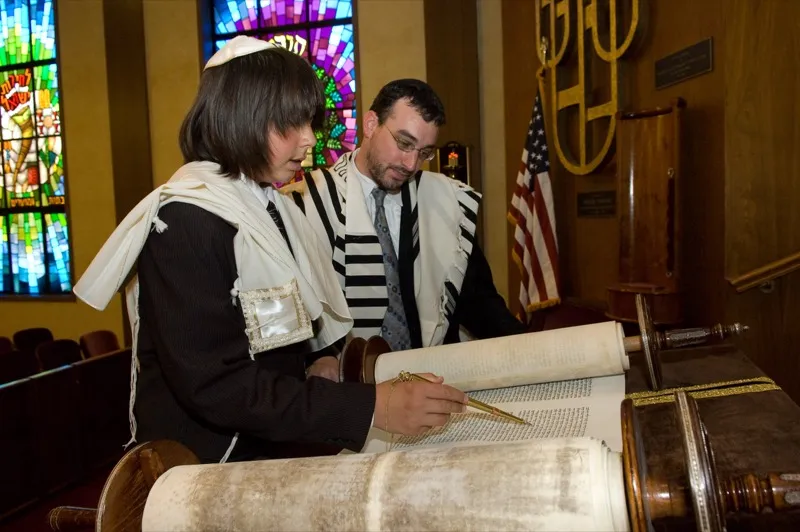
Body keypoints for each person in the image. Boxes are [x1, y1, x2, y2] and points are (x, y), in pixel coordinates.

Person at [73, 38, 467, 464]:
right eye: (291, 125)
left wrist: (312, 364)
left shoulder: (270, 207)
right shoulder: (186, 219)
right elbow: (217, 386)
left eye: (310, 124)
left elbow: (267, 336)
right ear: (242, 116)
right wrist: (375, 407)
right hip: (200, 460)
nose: (310, 141)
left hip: (265, 441)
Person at [292, 79, 526, 351]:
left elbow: (480, 304)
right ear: (370, 125)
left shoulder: (445, 201)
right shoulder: (304, 203)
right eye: (404, 143)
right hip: (352, 384)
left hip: (431, 372)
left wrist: (534, 350)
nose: (411, 164)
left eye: (424, 152)